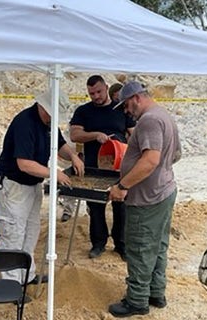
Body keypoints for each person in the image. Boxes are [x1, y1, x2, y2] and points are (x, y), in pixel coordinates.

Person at [0, 89, 84, 286]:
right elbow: (24, 163)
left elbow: (60, 145)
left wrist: (74, 156)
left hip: (32, 183)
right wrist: (54, 173)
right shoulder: (24, 123)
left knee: (31, 230)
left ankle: (27, 275)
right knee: (13, 233)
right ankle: (11, 283)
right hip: (13, 184)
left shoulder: (48, 123)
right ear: (43, 108)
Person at [107, 81, 181, 317]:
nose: (126, 111)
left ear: (137, 98)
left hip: (147, 199)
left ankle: (137, 300)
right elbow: (176, 154)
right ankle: (155, 293)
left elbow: (150, 161)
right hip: (164, 191)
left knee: (140, 248)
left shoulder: (148, 120)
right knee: (158, 246)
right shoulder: (164, 115)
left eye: (126, 105)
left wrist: (122, 185)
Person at [70, 75, 135, 260]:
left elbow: (134, 133)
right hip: (94, 168)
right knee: (96, 207)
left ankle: (121, 244)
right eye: (91, 93)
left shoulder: (120, 110)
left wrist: (128, 147)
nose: (96, 96)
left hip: (120, 168)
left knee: (120, 206)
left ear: (106, 88)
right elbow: (75, 134)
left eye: (99, 91)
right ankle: (98, 244)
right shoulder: (83, 111)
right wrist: (95, 135)